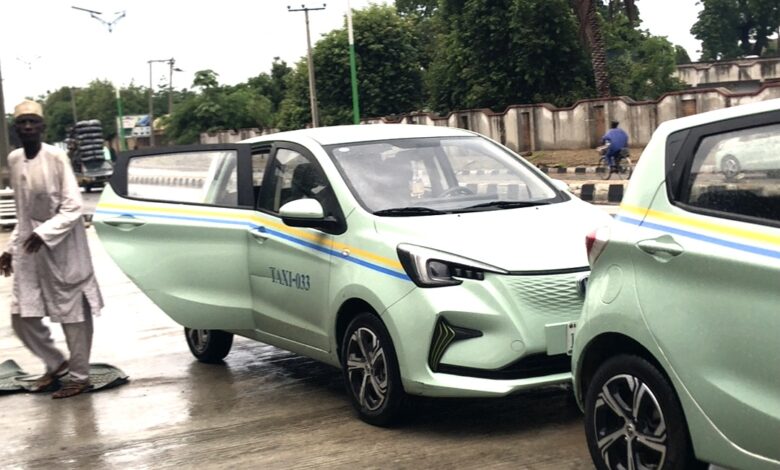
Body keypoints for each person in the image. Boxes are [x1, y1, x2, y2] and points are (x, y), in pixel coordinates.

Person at [0, 100, 104, 399]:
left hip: (63, 244)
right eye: (23, 123)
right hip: (31, 246)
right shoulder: (15, 158)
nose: (28, 127)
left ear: (42, 127)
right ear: (16, 128)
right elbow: (22, 211)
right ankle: (56, 364)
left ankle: (80, 376)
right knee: (22, 314)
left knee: (73, 313)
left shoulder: (57, 157)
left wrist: (45, 233)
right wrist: (10, 247)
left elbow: (74, 206)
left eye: (34, 121)